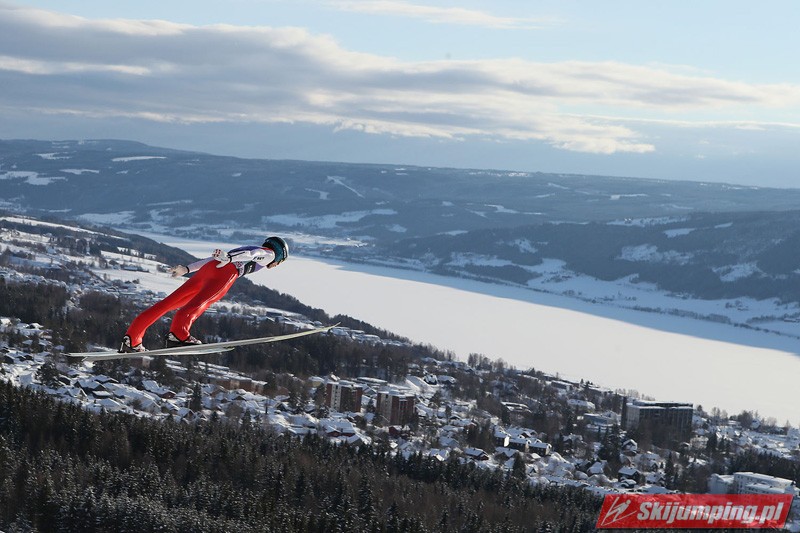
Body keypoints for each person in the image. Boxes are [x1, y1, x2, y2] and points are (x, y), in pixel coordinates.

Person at [119, 236, 288, 353]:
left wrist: (187, 269)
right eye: (280, 262)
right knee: (200, 303)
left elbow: (212, 260)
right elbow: (253, 255)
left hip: (209, 269)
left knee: (168, 304)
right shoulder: (269, 254)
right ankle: (179, 334)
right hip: (225, 272)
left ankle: (132, 339)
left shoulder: (252, 247)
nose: (277, 264)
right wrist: (230, 259)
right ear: (280, 256)